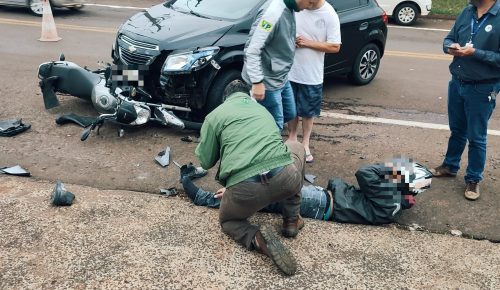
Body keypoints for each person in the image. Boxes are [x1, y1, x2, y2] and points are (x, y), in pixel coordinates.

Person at [195, 91, 306, 276]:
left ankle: (257, 238)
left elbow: (205, 161)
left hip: (245, 188)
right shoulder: (262, 109)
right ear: (246, 96)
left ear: (226, 99)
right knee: (296, 147)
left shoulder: (214, 116)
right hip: (284, 178)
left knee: (228, 221)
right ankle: (291, 220)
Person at [182, 158, 433, 225]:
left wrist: (389, 168)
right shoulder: (396, 202)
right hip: (323, 203)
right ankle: (222, 195)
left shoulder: (389, 197)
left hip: (321, 203)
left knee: (264, 195)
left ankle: (205, 197)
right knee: (268, 193)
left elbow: (365, 173)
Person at [431, 0, 500, 200]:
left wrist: (475, 53)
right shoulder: (466, 11)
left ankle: (473, 179)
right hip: (457, 82)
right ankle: (450, 166)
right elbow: (449, 37)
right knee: (457, 129)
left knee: (476, 136)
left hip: (483, 87)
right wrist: (449, 46)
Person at [241, 0, 320, 131]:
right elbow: (252, 50)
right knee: (275, 124)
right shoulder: (272, 14)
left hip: (280, 76)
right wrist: (257, 82)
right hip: (266, 80)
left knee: (290, 113)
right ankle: (266, 148)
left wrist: (291, 38)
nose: (309, 8)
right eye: (310, 3)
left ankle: (260, 136)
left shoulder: (290, 7)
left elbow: (278, 32)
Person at [287, 0, 341, 163]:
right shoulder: (297, 7)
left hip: (311, 74)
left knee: (308, 111)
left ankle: (305, 143)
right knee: (291, 108)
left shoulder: (329, 14)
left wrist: (307, 42)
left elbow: (335, 46)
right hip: (290, 70)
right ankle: (292, 138)